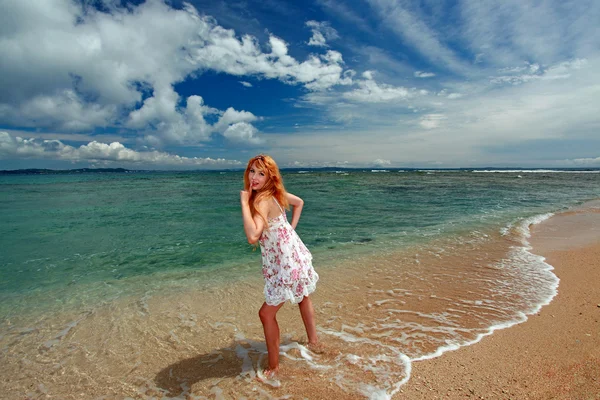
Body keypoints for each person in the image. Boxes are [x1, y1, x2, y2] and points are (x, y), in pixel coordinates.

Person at [240, 154, 320, 378]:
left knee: (266, 314)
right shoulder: (275, 194)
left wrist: (244, 204)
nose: (254, 177)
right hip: (292, 256)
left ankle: (274, 367)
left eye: (261, 173)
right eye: (251, 171)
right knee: (303, 296)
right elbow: (299, 203)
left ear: (269, 177)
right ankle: (314, 342)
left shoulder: (261, 200)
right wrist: (290, 230)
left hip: (285, 265)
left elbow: (252, 237)